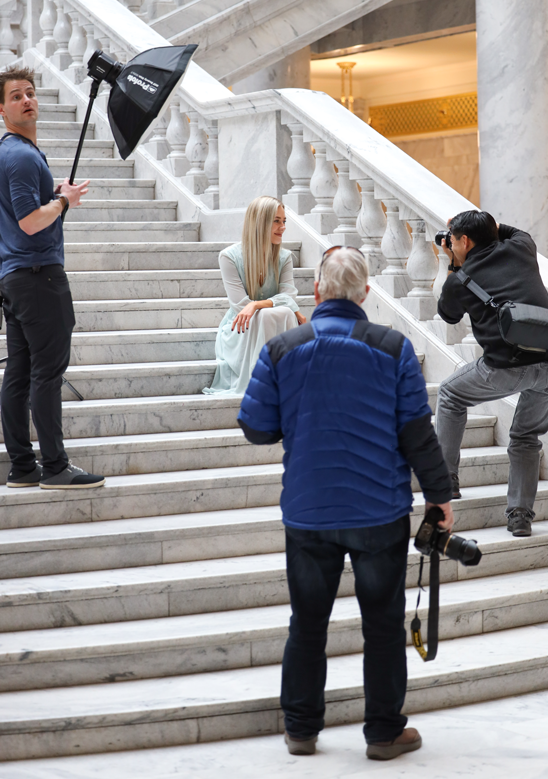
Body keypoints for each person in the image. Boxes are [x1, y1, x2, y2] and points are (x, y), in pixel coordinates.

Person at [238, 246, 453, 761]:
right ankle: (383, 732)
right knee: (382, 623)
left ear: (317, 292)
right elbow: (417, 434)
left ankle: (301, 730)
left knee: (306, 623)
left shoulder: (283, 348)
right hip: (378, 513)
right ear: (366, 294)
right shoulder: (393, 347)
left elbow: (256, 427)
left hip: (309, 512)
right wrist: (439, 498)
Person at [0, 66, 105, 489]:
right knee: (46, 372)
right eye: (15, 96)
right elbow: (28, 222)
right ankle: (56, 467)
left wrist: (55, 197)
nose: (27, 100)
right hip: (38, 277)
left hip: (17, 277)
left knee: (21, 372)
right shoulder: (22, 156)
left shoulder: (13, 152)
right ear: (2, 108)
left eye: (30, 93)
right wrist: (62, 201)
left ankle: (23, 467)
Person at [436, 210, 548, 537]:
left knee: (451, 394)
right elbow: (502, 229)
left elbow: (447, 315)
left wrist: (453, 264)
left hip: (506, 367)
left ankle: (446, 481)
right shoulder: (523, 246)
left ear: (464, 241)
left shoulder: (460, 280)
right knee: (526, 437)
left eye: (453, 239)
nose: (450, 244)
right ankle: (520, 516)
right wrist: (472, 229)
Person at [203, 196, 306, 396]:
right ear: (260, 221)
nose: (282, 227)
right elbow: (240, 305)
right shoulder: (229, 257)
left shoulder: (284, 258)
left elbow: (289, 296)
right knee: (279, 313)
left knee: (280, 312)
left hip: (274, 321)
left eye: (284, 221)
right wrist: (257, 307)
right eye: (276, 221)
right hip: (240, 329)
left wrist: (257, 304)